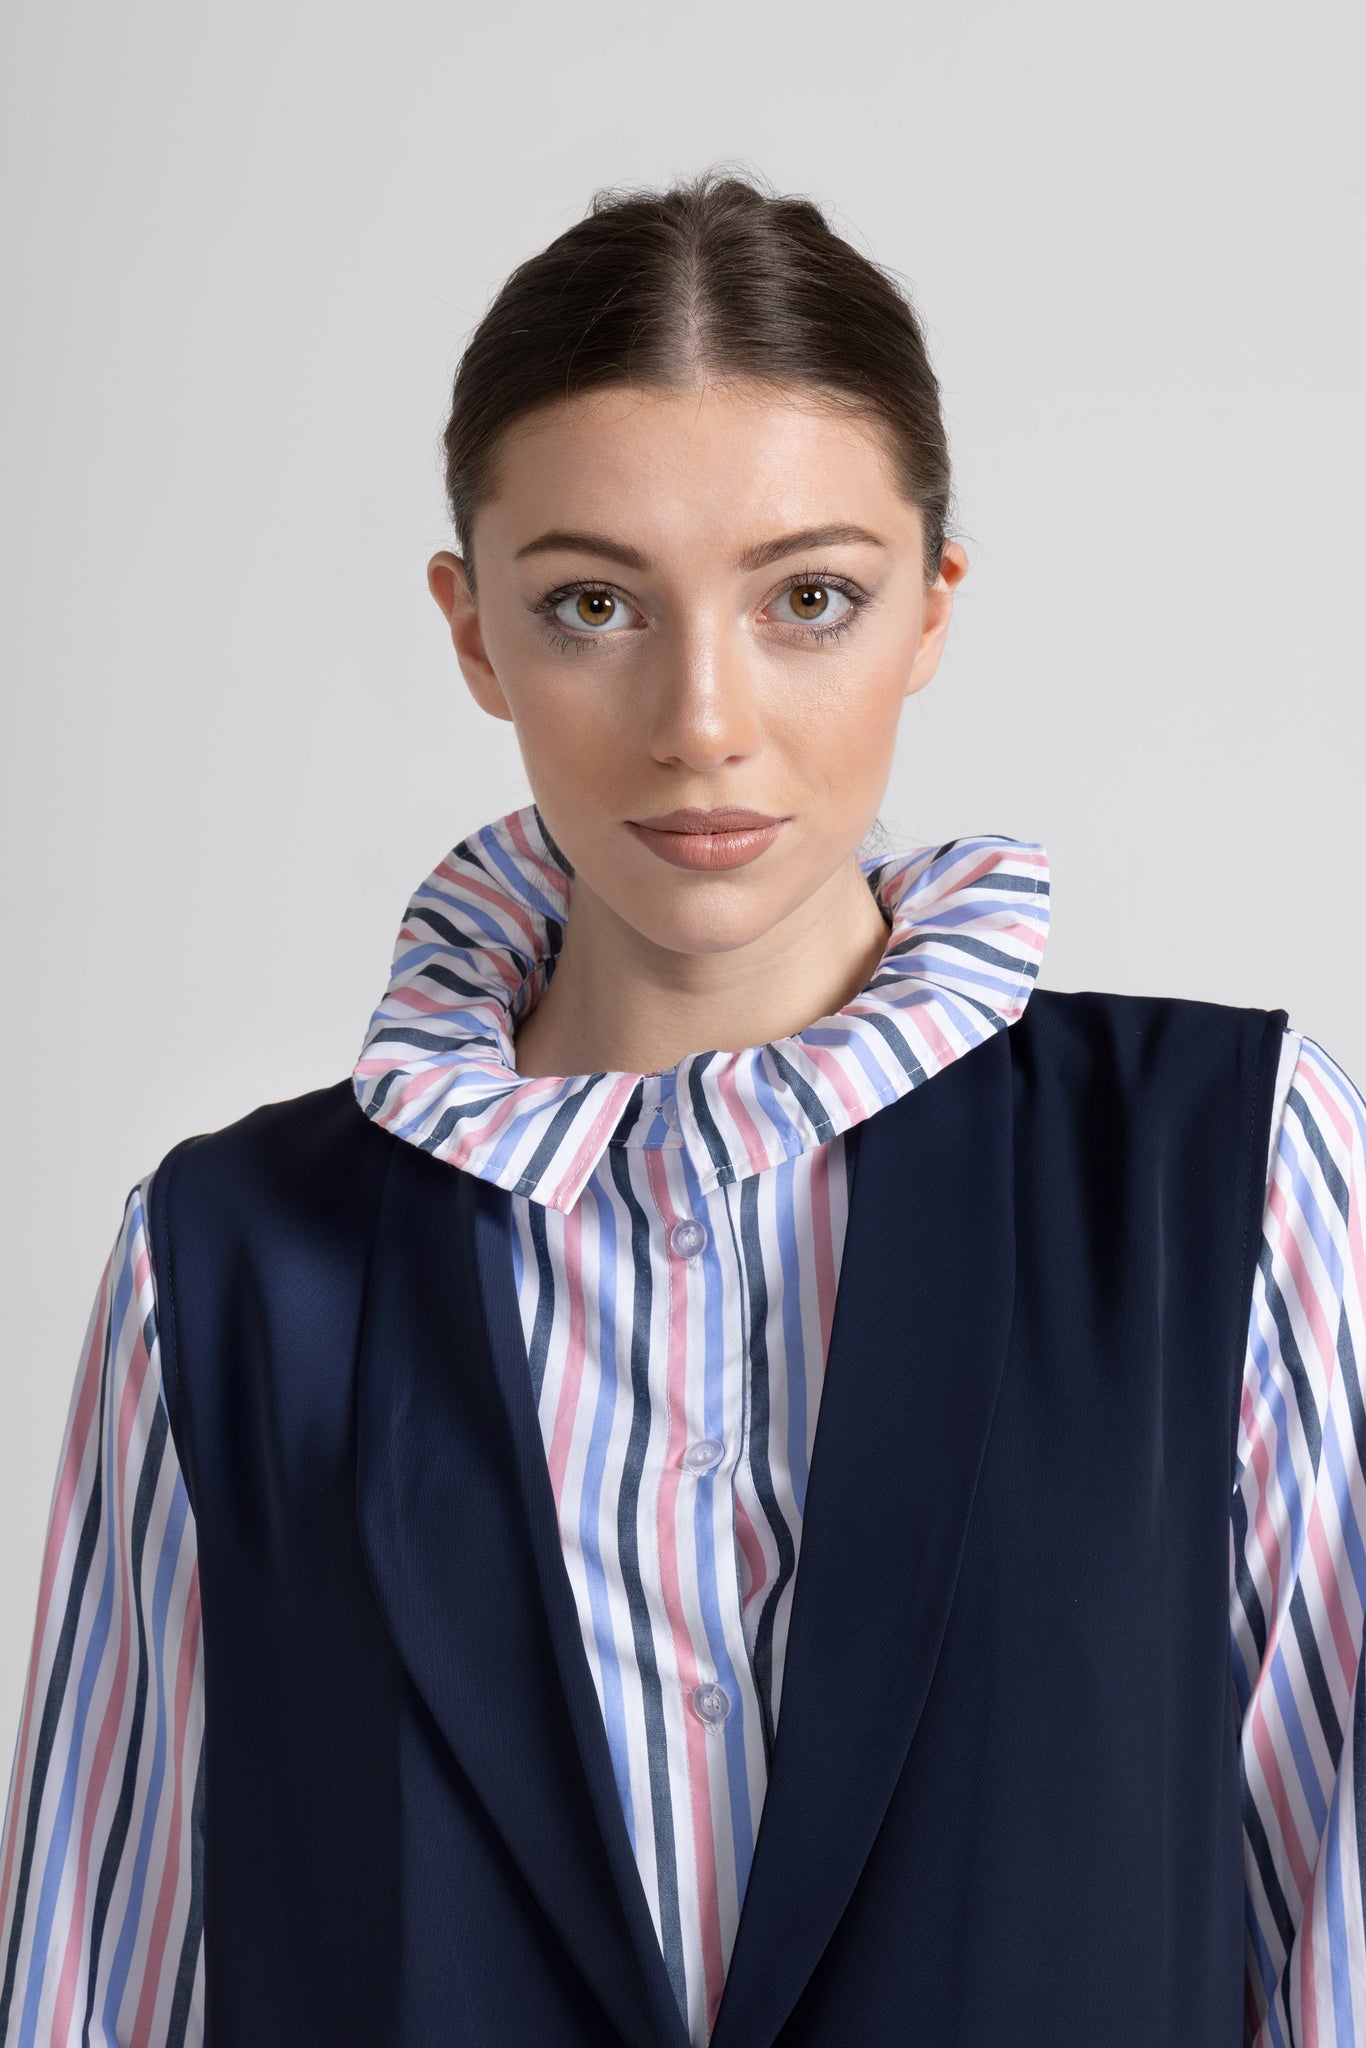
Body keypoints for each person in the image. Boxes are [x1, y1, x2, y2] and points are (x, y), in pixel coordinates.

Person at [0, 165, 1361, 2048]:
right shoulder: (224, 1269)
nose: (701, 719)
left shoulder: (1228, 1170)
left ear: (930, 608)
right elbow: (99, 1982)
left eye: (809, 598)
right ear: (470, 629)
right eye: (591, 604)